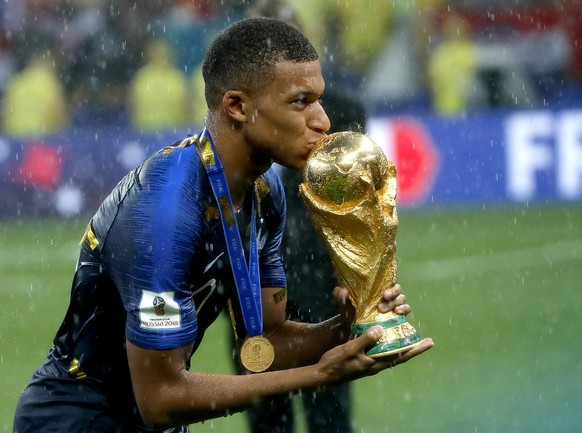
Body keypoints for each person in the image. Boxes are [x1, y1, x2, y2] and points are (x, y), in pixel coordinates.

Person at [13, 17, 433, 433]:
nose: (323, 121)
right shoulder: (165, 212)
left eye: (318, 99)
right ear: (237, 106)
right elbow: (160, 400)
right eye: (300, 101)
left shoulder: (266, 191)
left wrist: (350, 327)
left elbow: (265, 346)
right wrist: (321, 374)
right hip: (75, 418)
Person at [240, 3, 367, 433]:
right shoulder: (233, 112)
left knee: (328, 413)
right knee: (264, 414)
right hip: (253, 295)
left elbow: (349, 202)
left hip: (319, 288)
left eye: (286, 41)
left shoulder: (341, 110)